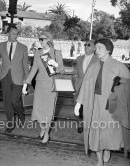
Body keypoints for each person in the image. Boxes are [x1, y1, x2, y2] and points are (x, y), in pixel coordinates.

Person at [74, 38, 130, 166]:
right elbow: (85, 85)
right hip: (94, 104)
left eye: (99, 47)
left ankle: (107, 148)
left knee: (108, 132)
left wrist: (119, 89)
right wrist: (79, 102)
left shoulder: (119, 66)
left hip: (110, 106)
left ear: (108, 50)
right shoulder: (93, 66)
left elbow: (128, 86)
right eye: (96, 47)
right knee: (95, 133)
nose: (96, 50)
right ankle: (99, 160)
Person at [22, 31, 64, 144]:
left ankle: (46, 133)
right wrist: (26, 83)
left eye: (42, 39)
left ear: (48, 39)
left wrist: (55, 64)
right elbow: (34, 69)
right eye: (39, 39)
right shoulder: (38, 53)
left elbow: (62, 70)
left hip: (51, 86)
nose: (40, 41)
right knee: (38, 109)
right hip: (40, 85)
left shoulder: (56, 53)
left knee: (48, 111)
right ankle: (43, 128)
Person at [0, 25, 29, 133]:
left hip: (18, 77)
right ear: (8, 33)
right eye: (13, 33)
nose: (15, 36)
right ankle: (10, 124)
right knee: (7, 102)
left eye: (17, 34)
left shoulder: (23, 47)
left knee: (14, 100)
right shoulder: (0, 45)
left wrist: (27, 80)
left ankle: (21, 115)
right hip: (5, 76)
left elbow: (25, 66)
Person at [73, 40, 98, 133]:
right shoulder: (79, 58)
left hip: (91, 88)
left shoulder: (98, 59)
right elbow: (75, 73)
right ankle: (79, 124)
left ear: (94, 48)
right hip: (78, 87)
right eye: (85, 45)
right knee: (77, 107)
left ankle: (88, 124)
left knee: (89, 108)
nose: (86, 46)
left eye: (89, 45)